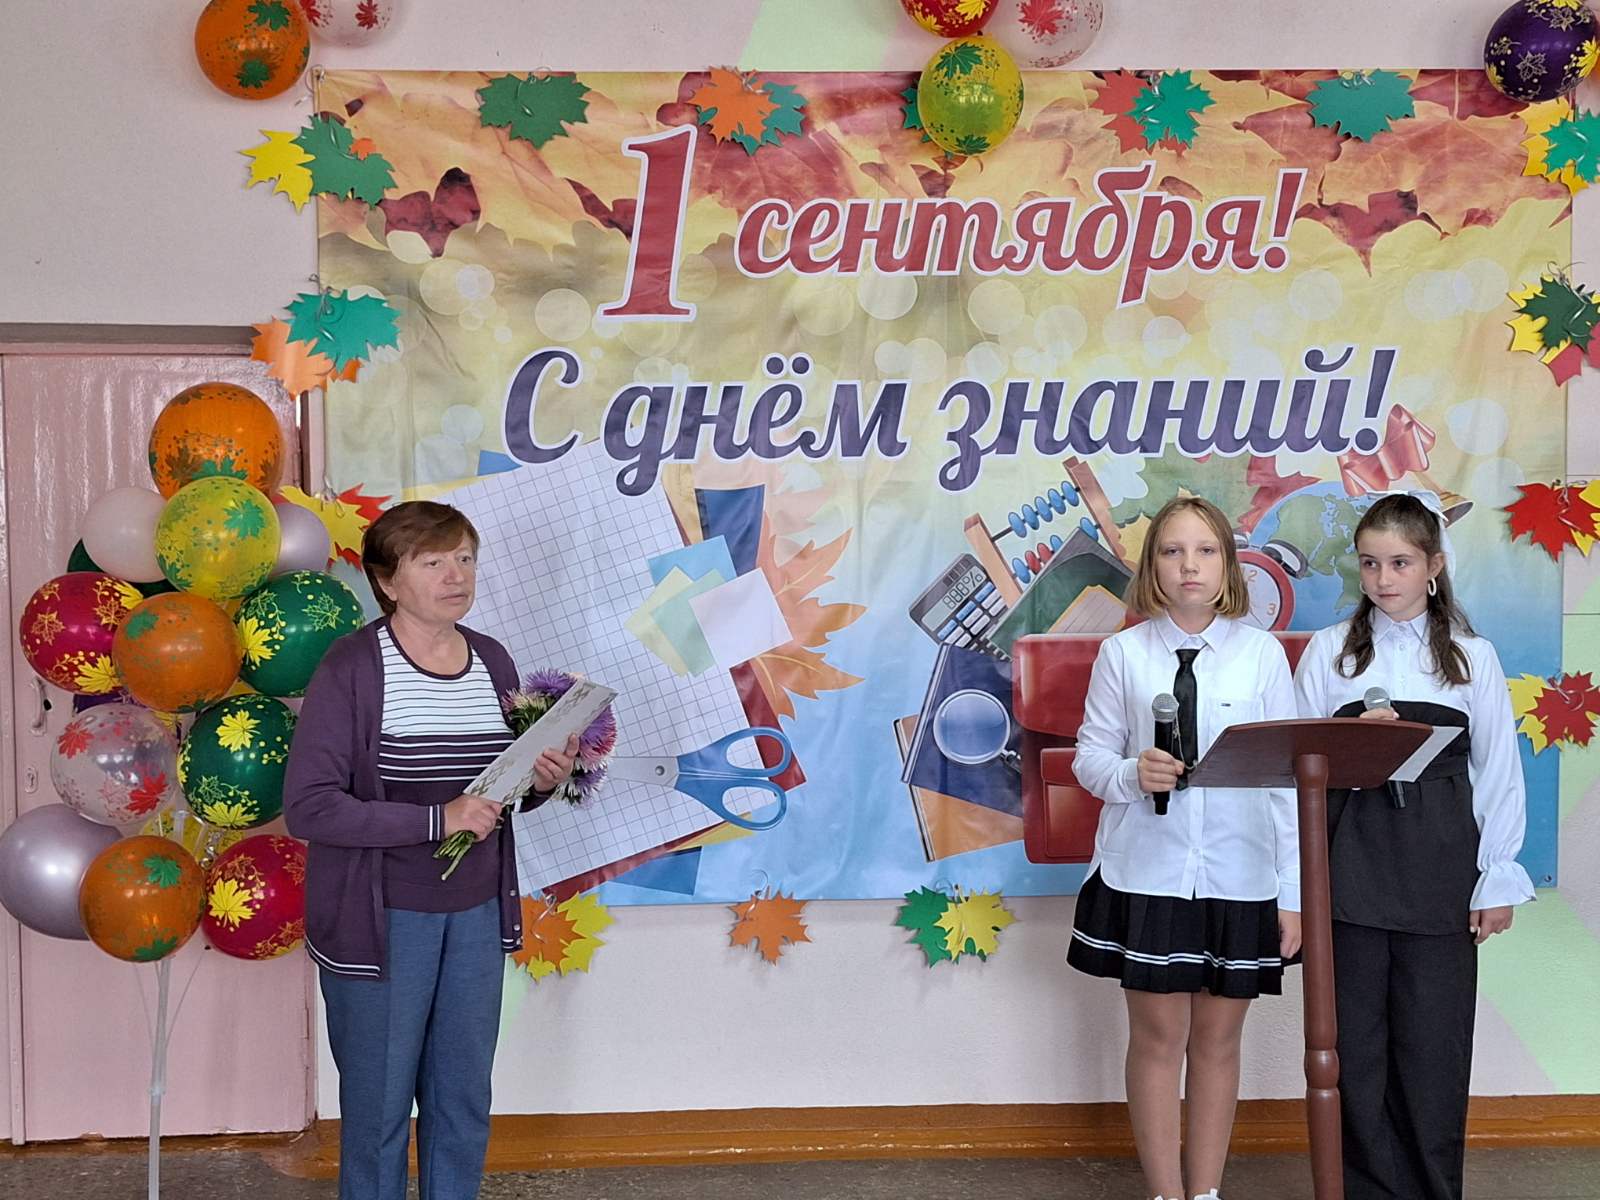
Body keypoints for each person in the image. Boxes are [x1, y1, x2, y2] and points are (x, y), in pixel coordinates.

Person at [283, 500, 578, 1200]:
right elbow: (310, 806)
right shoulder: (353, 667)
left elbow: (497, 798)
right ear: (387, 581)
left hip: (474, 914)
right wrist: (434, 821)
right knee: (380, 1108)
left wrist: (540, 781)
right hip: (383, 920)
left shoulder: (493, 660)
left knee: (462, 1100)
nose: (456, 576)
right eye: (433, 562)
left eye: (465, 558)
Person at [1292, 492, 1533, 1200]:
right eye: (1370, 563)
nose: (1383, 578)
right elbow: (1293, 773)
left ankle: (1431, 1190)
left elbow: (1498, 773)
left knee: (1434, 1048)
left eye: (1399, 562)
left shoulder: (1471, 657)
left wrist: (1496, 876)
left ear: (1433, 566)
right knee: (1357, 1050)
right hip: (1349, 868)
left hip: (1440, 872)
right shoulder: (1329, 652)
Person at [1068, 495, 1302, 1200]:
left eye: (1205, 551)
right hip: (1149, 872)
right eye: (1172, 551)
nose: (1188, 566)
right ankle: (1165, 1195)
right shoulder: (1122, 653)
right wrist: (1130, 774)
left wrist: (1291, 893)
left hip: (1240, 875)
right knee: (1157, 1039)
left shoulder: (1261, 655)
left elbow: (1286, 783)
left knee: (1218, 1044)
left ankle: (1205, 1194)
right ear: (1153, 566)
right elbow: (1089, 759)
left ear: (1228, 565)